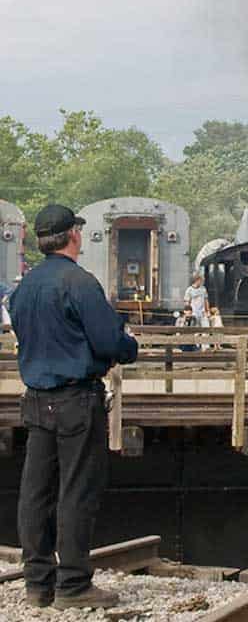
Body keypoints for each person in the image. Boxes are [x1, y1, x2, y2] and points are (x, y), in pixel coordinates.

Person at [9, 204, 138, 610]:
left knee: (36, 492)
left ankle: (37, 583)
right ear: (74, 236)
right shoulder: (79, 283)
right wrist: (127, 346)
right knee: (77, 491)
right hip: (77, 401)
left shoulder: (23, 288)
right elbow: (109, 342)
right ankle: (73, 585)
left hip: (36, 401)